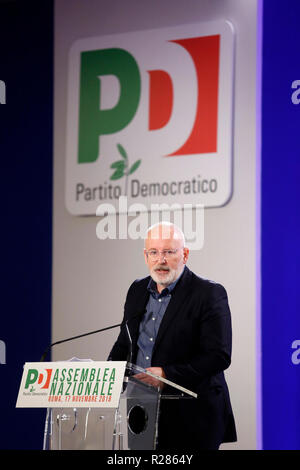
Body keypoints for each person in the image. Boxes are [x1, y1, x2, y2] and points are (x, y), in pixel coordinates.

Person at [109, 222, 237, 450]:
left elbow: (218, 355)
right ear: (145, 256)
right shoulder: (137, 290)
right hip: (141, 410)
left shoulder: (208, 293)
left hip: (192, 415)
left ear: (185, 254)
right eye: (154, 252)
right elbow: (125, 343)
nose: (161, 260)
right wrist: (106, 378)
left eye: (169, 252)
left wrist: (167, 374)